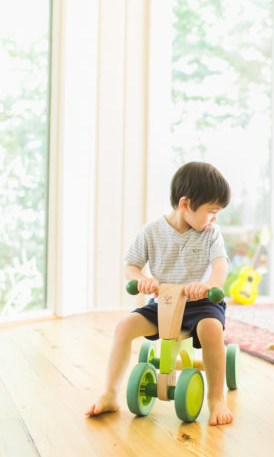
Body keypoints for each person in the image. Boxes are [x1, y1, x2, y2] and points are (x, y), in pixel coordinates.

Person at [86, 161, 235, 426]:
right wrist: (141, 279)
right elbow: (130, 267)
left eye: (217, 214)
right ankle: (109, 394)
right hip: (164, 303)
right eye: (211, 212)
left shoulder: (211, 234)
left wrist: (209, 285)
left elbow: (220, 264)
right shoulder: (151, 232)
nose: (214, 219)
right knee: (123, 327)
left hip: (200, 304)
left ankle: (216, 399)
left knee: (212, 330)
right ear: (186, 204)